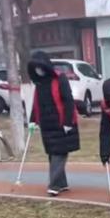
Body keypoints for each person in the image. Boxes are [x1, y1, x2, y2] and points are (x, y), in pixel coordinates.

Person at [28, 51, 80, 196]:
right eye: (35, 67)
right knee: (53, 153)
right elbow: (36, 103)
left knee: (59, 153)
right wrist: (32, 120)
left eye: (40, 66)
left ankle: (54, 184)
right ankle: (62, 183)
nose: (38, 69)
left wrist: (68, 122)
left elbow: (68, 100)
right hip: (47, 124)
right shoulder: (39, 83)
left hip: (62, 123)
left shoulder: (60, 79)